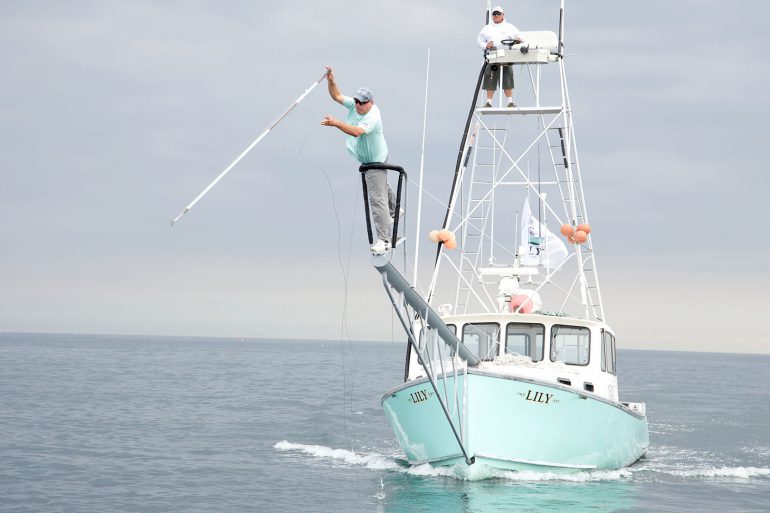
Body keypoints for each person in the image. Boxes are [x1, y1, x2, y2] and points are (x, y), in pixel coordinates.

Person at [321, 66, 396, 254]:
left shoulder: (373, 117)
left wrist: (336, 122)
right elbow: (336, 96)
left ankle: (385, 240)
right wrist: (331, 80)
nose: (358, 105)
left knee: (376, 199)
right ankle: (395, 210)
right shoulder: (354, 106)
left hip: (375, 161)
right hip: (373, 158)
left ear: (371, 102)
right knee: (382, 188)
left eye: (362, 102)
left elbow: (356, 132)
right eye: (356, 101)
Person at [476, 5, 525, 108]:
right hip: (492, 55)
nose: (496, 16)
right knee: (490, 76)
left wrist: (518, 39)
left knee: (507, 77)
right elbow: (479, 41)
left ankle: (510, 102)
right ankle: (489, 102)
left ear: (502, 14)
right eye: (494, 14)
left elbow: (520, 37)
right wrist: (486, 45)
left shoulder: (509, 27)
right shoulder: (487, 28)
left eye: (498, 13)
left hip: (506, 55)